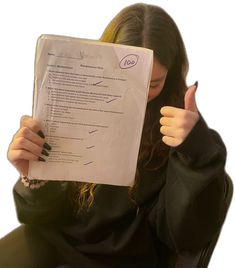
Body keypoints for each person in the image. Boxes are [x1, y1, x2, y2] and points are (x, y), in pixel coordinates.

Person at [0, 3, 230, 268]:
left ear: (172, 72)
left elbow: (183, 237)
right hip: (54, 240)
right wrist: (33, 174)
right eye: (127, 79)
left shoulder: (177, 130)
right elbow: (39, 215)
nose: (140, 94)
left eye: (153, 83)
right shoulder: (75, 100)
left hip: (123, 257)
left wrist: (195, 153)